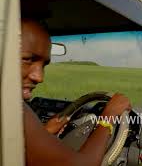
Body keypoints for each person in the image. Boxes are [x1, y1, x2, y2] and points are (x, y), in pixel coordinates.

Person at [21, 18, 131, 166]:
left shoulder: (14, 111)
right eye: (27, 59)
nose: (39, 77)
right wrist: (108, 117)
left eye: (44, 65)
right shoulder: (15, 110)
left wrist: (43, 133)